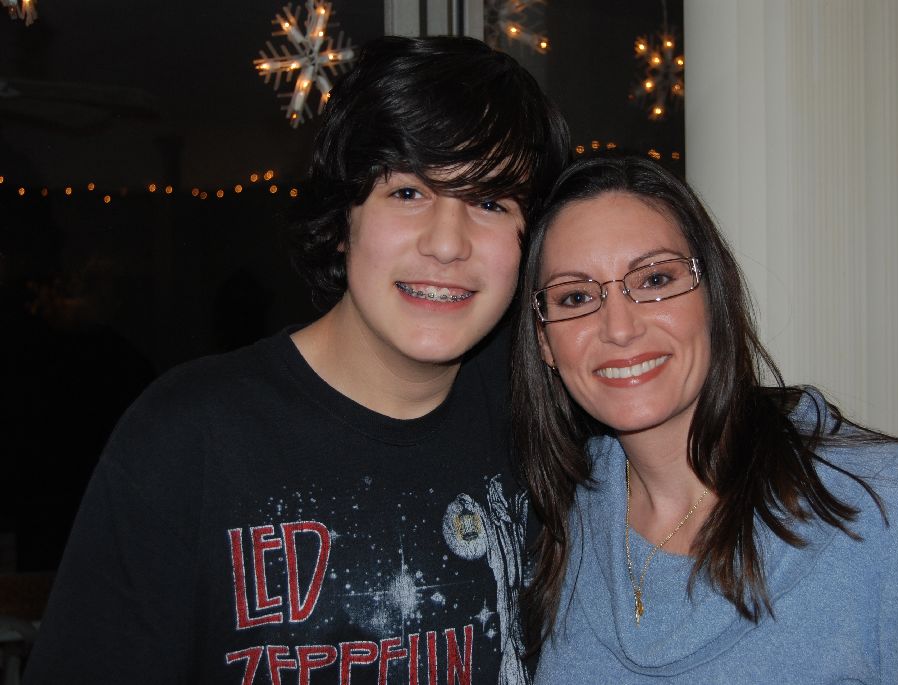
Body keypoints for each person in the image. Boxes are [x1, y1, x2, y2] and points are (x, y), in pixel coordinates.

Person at [25, 36, 568, 684]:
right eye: (407, 192)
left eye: (490, 202)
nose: (447, 243)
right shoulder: (187, 438)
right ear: (342, 220)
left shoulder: (544, 417)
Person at [510, 155, 898, 682]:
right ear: (545, 341)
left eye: (654, 279)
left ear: (714, 297)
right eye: (576, 296)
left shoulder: (881, 505)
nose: (619, 327)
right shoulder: (557, 514)